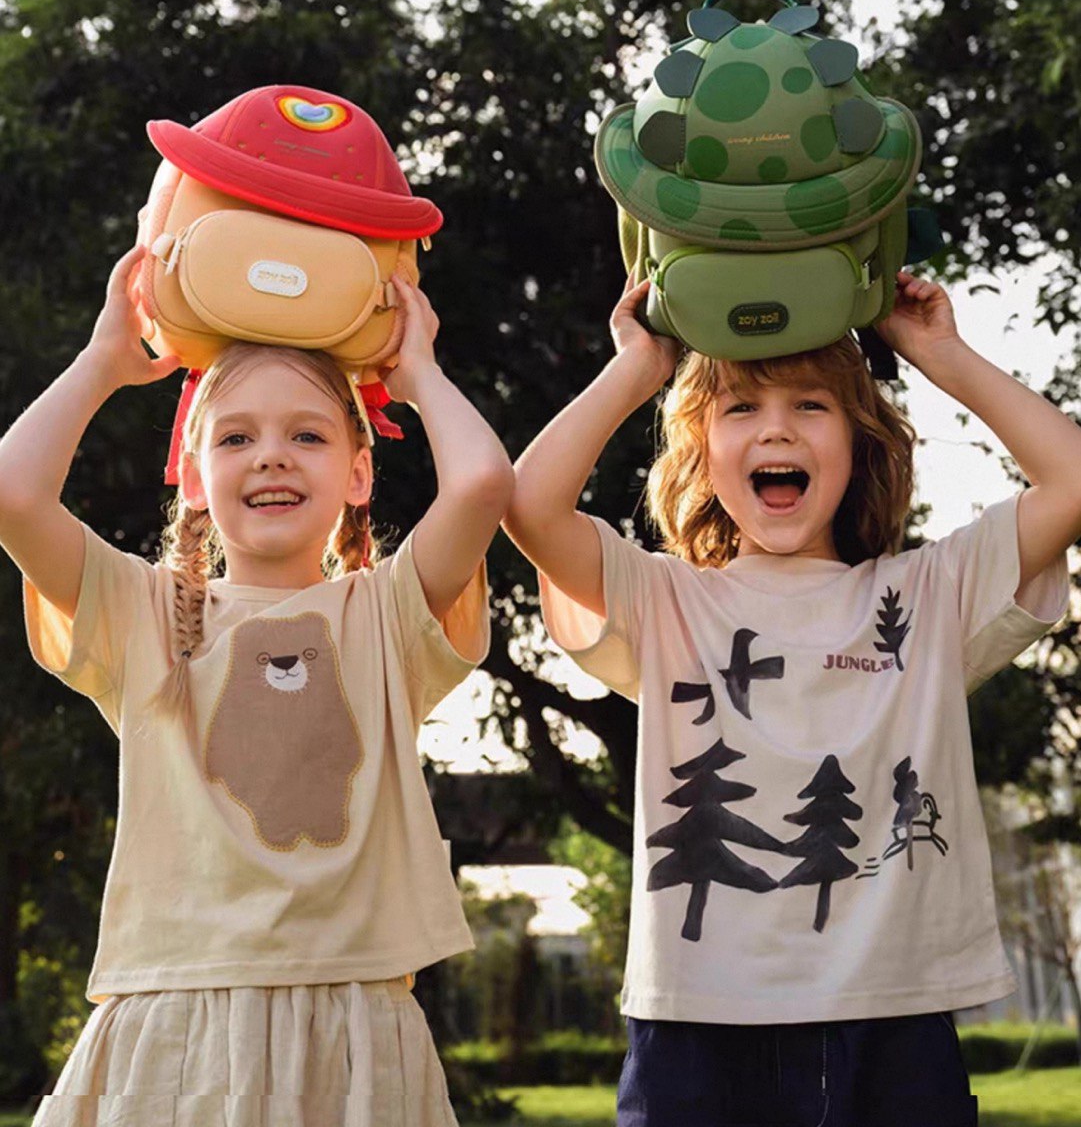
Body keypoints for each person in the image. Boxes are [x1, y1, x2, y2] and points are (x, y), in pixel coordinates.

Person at [504, 269, 1078, 1127]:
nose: (775, 426)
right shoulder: (665, 599)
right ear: (700, 450)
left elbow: (1069, 479)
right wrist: (638, 367)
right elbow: (527, 505)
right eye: (739, 408)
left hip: (893, 1017)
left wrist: (937, 353)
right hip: (695, 1024)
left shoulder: (928, 593)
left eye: (810, 405)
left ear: (857, 442)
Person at [0, 243, 514, 1126]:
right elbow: (12, 494)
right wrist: (101, 364)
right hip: (176, 1014)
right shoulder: (145, 612)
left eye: (307, 435)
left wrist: (418, 369)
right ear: (194, 479)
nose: (271, 456)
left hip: (353, 1018)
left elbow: (480, 484)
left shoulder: (387, 614)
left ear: (358, 474)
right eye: (236, 436)